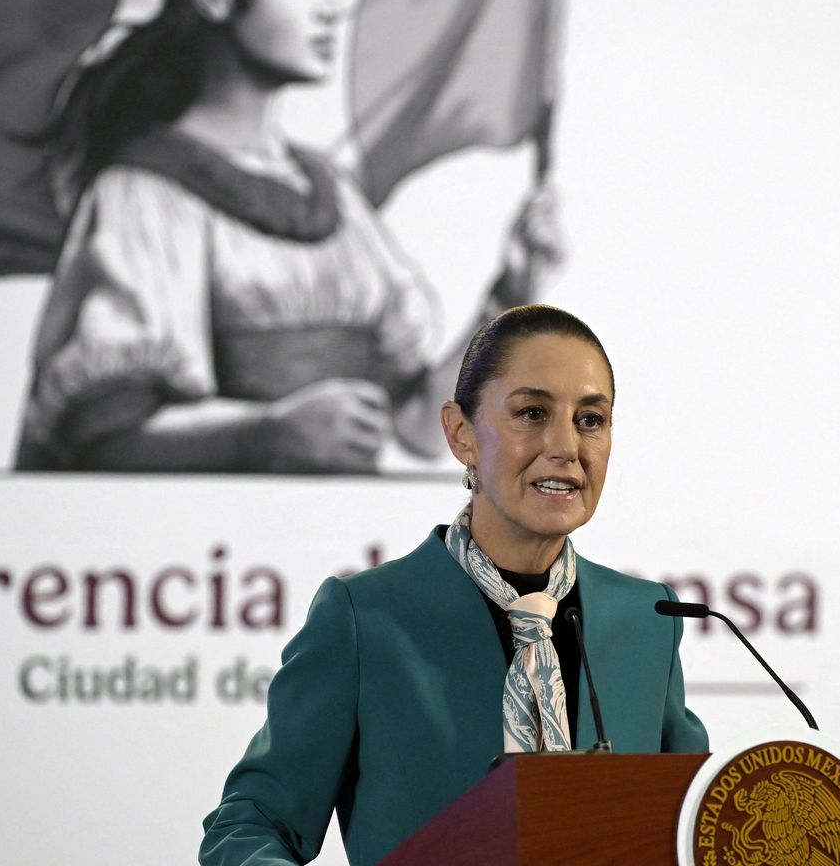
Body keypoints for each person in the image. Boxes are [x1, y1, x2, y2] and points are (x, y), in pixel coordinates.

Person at [14, 0, 559, 472]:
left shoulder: (332, 196)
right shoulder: (143, 193)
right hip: (204, 553)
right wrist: (264, 434)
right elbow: (105, 437)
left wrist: (511, 294)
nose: (328, 7)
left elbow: (418, 428)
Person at [198, 305, 710, 865]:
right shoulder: (364, 620)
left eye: (591, 419)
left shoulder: (645, 620)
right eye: (533, 412)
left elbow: (694, 831)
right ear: (460, 434)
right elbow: (250, 826)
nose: (566, 446)